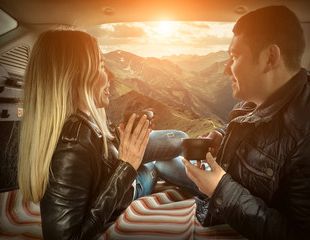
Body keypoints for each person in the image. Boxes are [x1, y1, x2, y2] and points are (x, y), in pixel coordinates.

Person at [157, 5, 310, 240]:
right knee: (160, 163)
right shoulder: (270, 93)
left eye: (233, 57)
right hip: (227, 184)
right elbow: (255, 125)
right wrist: (222, 134)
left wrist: (220, 188)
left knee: (159, 163)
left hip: (226, 194)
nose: (225, 69)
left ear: (269, 58)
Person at [17, 28, 187, 240]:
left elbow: (97, 157)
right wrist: (126, 166)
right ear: (75, 74)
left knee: (180, 138)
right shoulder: (71, 145)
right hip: (126, 185)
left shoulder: (80, 120)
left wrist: (120, 137)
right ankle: (216, 194)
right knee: (158, 164)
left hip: (118, 160)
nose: (111, 76)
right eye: (101, 66)